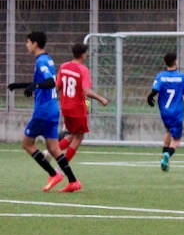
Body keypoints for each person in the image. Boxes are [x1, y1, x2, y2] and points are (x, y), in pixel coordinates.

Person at [7, 31, 81, 192]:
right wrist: (20, 85)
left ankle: (53, 174)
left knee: (27, 143)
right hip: (53, 108)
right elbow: (42, 82)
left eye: (27, 42)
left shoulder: (41, 61)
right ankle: (73, 181)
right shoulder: (47, 59)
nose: (26, 45)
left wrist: (35, 86)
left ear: (34, 43)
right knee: (54, 148)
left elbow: (48, 82)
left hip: (43, 110)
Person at [56, 43, 109, 162]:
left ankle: (50, 152)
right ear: (83, 55)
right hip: (77, 108)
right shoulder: (83, 69)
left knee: (73, 134)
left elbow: (57, 86)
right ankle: (62, 165)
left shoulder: (63, 66)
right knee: (79, 136)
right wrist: (101, 99)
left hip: (65, 107)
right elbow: (86, 91)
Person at [147, 51, 184, 171]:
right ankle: (168, 155)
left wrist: (150, 97)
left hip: (164, 112)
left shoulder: (160, 76)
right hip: (177, 113)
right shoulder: (182, 77)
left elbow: (154, 90)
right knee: (176, 139)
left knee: (168, 131)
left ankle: (164, 158)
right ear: (176, 62)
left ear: (164, 62)